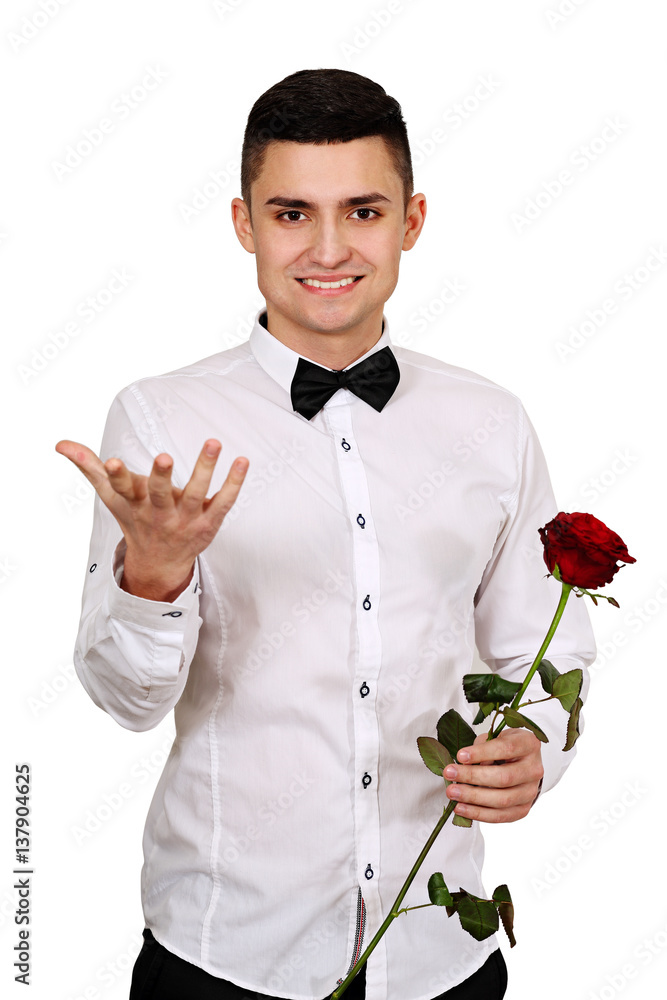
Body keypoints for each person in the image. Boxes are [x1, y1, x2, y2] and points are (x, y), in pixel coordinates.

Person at [56, 68, 596, 1000]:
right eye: (292, 213)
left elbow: (543, 651)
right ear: (243, 224)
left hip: (442, 958)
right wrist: (153, 574)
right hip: (222, 959)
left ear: (412, 220)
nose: (330, 247)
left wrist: (537, 748)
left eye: (363, 210)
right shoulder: (158, 422)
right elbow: (127, 701)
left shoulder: (492, 422)